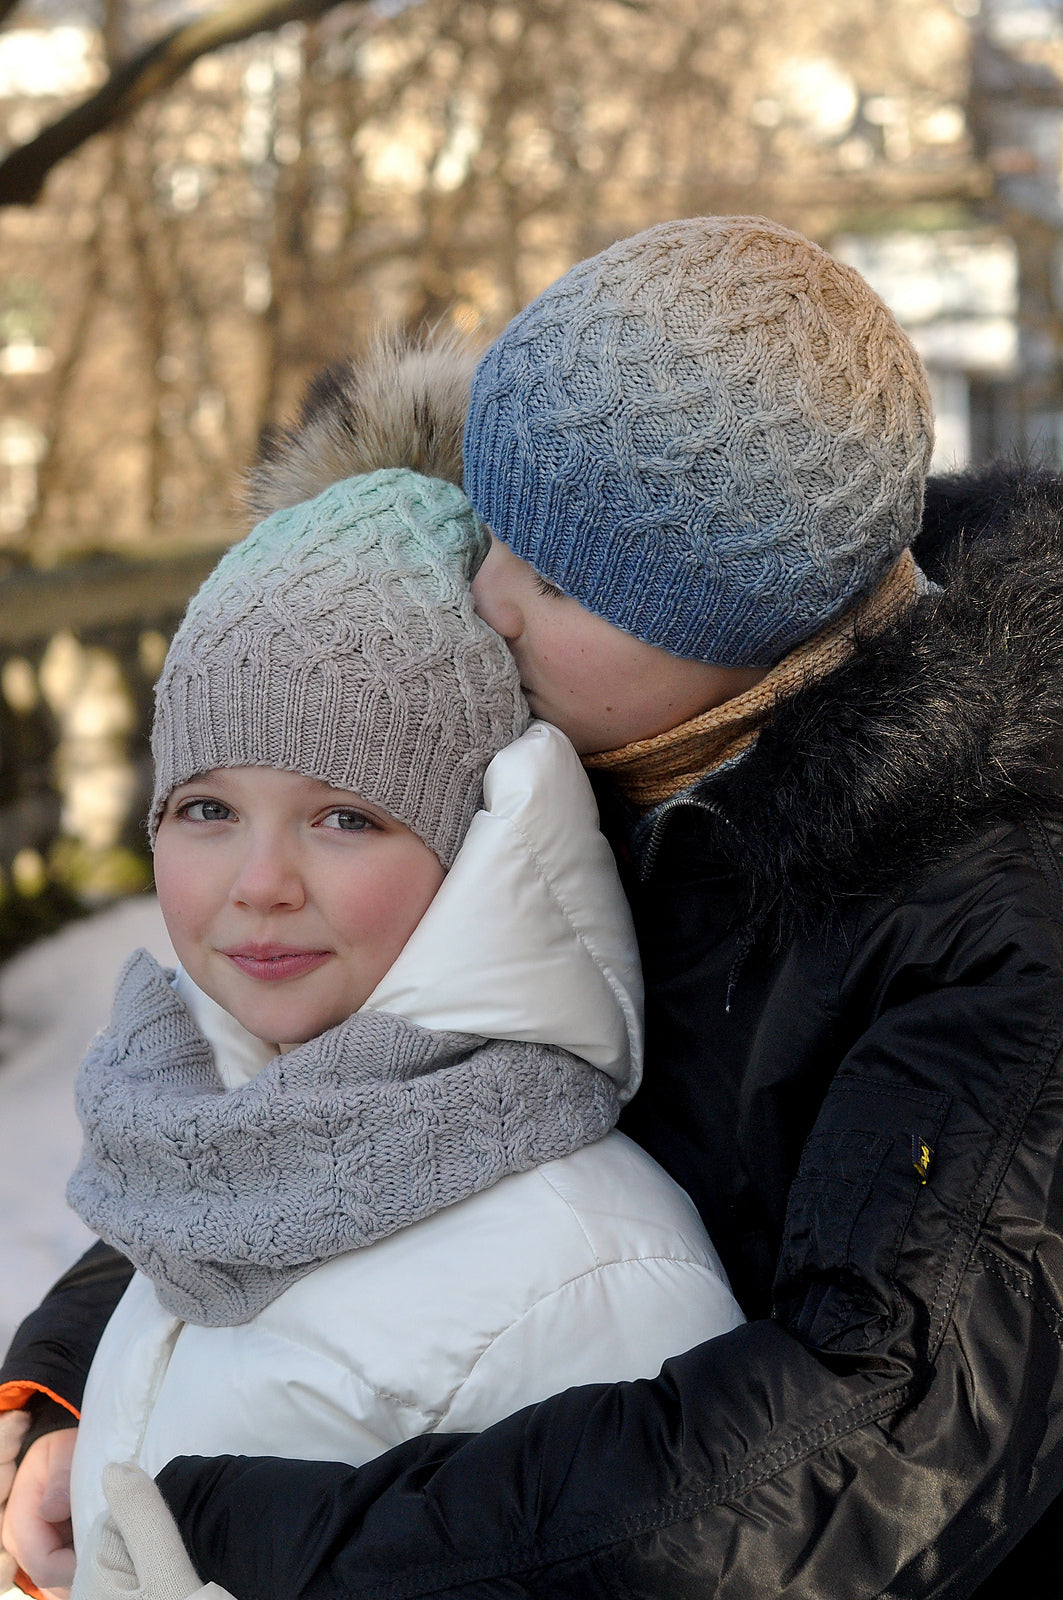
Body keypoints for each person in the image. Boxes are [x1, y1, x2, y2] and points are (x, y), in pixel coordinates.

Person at [5, 212, 1063, 1598]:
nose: (486, 596)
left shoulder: (996, 934)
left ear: (743, 622)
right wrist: (79, 1377)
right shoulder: (607, 736)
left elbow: (863, 1456)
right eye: (496, 526)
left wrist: (258, 1538)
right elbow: (337, 1088)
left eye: (555, 577)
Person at [6, 444, 743, 1596]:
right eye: (206, 807)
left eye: (345, 817)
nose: (260, 881)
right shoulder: (210, 1147)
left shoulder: (589, 1274)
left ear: (479, 847)